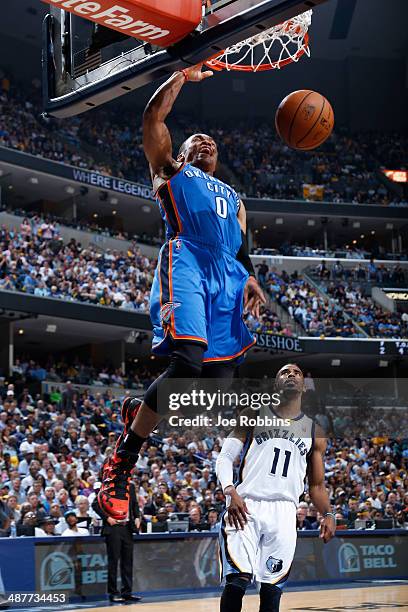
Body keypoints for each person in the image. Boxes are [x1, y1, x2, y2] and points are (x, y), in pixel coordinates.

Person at [98, 62, 265, 520]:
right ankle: (121, 464)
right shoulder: (171, 171)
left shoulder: (235, 198)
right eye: (197, 140)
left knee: (216, 388)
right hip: (187, 260)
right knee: (187, 359)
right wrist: (181, 76)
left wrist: (250, 276)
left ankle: (141, 410)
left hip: (226, 279)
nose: (206, 141)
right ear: (184, 151)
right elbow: (153, 120)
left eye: (211, 141)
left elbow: (240, 247)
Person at [215, 363, 336, 612]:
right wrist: (229, 489)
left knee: (272, 590)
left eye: (296, 373)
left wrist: (328, 513)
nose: (290, 375)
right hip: (245, 505)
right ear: (275, 384)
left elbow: (316, 484)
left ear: (304, 386)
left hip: (284, 511)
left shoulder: (315, 431)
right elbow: (225, 457)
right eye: (284, 372)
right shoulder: (253, 413)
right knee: (237, 580)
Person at [93, 482, 142, 603]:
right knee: (113, 562)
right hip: (114, 528)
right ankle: (113, 593)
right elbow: (96, 504)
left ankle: (127, 592)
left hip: (127, 528)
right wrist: (107, 518)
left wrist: (136, 517)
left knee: (127, 562)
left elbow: (134, 504)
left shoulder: (130, 486)